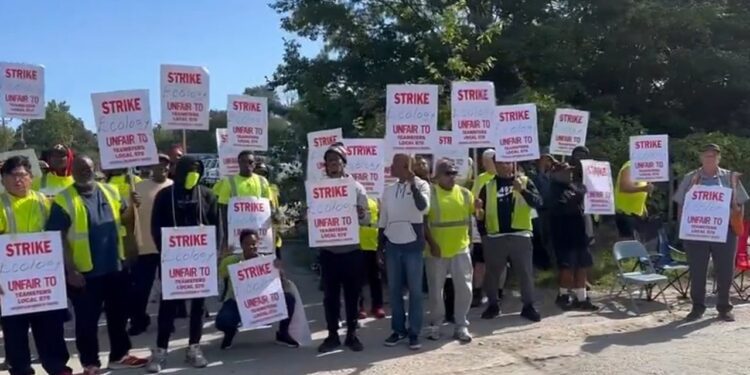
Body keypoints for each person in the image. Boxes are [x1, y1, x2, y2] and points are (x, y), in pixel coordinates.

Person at [46, 155, 146, 374]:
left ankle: (120, 355)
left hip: (115, 267)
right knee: (86, 323)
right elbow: (57, 238)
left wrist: (133, 205)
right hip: (84, 273)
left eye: (89, 167)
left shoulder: (110, 191)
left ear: (95, 169)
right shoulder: (63, 200)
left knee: (118, 316)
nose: (85, 171)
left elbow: (126, 219)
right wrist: (69, 270)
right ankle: (90, 363)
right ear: (73, 171)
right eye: (81, 168)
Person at [146, 156, 222, 372]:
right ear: (179, 171)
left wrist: (214, 254)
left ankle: (194, 347)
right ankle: (161, 350)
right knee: (168, 306)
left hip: (200, 263)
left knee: (198, 307)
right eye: (190, 169)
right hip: (173, 262)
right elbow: (155, 227)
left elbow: (217, 227)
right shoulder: (165, 195)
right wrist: (166, 253)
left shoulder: (207, 195)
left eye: (198, 169)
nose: (194, 173)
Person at [0, 156, 72, 375]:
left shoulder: (45, 202)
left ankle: (57, 366)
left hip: (44, 282)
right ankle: (21, 369)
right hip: (11, 284)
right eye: (12, 176)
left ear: (31, 178)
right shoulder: (1, 204)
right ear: (3, 180)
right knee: (15, 332)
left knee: (51, 327)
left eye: (22, 175)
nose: (18, 180)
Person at [674, 144, 748, 322]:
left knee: (725, 271)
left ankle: (724, 307)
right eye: (707, 155)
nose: (710, 159)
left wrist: (735, 223)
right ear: (700, 158)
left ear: (719, 158)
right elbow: (681, 204)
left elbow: (741, 203)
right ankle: (697, 307)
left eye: (713, 156)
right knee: (697, 270)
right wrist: (683, 229)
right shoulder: (690, 178)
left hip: (725, 232)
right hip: (696, 232)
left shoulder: (730, 177)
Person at [315, 143, 370, 353]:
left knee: (352, 295)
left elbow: (367, 220)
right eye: (329, 161)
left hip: (352, 251)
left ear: (343, 163)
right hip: (329, 252)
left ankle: (352, 335)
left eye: (337, 160)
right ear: (325, 165)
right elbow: (312, 216)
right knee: (330, 296)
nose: (333, 164)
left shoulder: (356, 188)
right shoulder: (318, 188)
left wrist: (361, 213)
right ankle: (331, 335)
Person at [475, 154, 542, 322]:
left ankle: (528, 306)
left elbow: (538, 202)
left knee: (525, 273)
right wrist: (483, 234)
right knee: (492, 275)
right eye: (499, 162)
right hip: (495, 237)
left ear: (513, 163)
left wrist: (523, 191)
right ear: (495, 165)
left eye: (507, 161)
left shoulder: (525, 181)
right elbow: (479, 215)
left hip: (520, 235)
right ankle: (493, 305)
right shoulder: (487, 186)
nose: (504, 165)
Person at [216, 229, 300, 349]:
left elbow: (280, 283)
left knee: (289, 299)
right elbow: (219, 275)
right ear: (241, 245)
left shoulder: (268, 261)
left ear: (258, 244)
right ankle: (230, 333)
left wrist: (280, 272)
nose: (251, 246)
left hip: (262, 303)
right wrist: (222, 258)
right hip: (237, 303)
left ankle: (283, 333)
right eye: (247, 243)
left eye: (254, 243)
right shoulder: (231, 261)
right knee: (222, 322)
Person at [380, 153, 431, 350]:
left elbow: (423, 208)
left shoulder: (422, 185)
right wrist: (380, 247)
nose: (391, 167)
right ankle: (398, 330)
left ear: (407, 167)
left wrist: (412, 184)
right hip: (392, 245)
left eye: (396, 164)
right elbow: (383, 219)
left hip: (412, 246)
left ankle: (414, 332)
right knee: (394, 291)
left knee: (415, 292)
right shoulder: (388, 190)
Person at [424, 159, 474, 343]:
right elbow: (423, 222)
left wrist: (480, 210)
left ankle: (461, 325)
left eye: (454, 173)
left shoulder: (465, 193)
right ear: (437, 176)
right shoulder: (430, 194)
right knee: (436, 290)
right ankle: (435, 325)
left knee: (464, 289)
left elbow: (472, 217)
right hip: (436, 251)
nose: (452, 177)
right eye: (447, 173)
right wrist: (432, 243)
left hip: (460, 248)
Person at [127, 154, 173, 336]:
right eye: (158, 163)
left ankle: (167, 321)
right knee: (140, 289)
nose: (162, 167)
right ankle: (138, 320)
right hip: (145, 246)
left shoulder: (174, 187)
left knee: (168, 289)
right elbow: (127, 218)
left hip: (168, 248)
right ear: (151, 167)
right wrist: (132, 204)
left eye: (166, 164)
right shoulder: (137, 188)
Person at [548, 161, 598, 310]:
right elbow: (561, 207)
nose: (569, 173)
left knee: (582, 266)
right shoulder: (553, 191)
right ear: (556, 174)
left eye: (570, 171)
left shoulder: (576, 187)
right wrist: (577, 197)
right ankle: (563, 295)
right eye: (565, 171)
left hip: (581, 234)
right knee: (567, 268)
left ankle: (581, 298)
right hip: (565, 236)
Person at [215, 151, 272, 255]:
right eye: (243, 162)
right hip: (237, 235)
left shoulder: (262, 181)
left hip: (258, 235)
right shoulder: (229, 181)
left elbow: (269, 207)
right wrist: (227, 234)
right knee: (236, 261)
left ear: (254, 164)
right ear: (238, 163)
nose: (247, 165)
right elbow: (223, 208)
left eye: (250, 162)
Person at [470, 148, 500, 307]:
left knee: (498, 262)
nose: (486, 163)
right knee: (480, 262)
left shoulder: (503, 177)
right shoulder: (480, 178)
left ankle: (497, 291)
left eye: (489, 160)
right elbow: (473, 200)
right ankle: (477, 292)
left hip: (498, 226)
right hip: (482, 225)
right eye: (484, 161)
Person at [359, 196, 385, 319]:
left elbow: (381, 221)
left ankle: (377, 306)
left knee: (376, 278)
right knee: (359, 279)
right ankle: (361, 307)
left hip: (373, 244)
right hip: (357, 244)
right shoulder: (353, 199)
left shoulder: (376, 199)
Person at [614, 160, 654, 239]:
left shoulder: (642, 169)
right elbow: (624, 187)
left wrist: (643, 207)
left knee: (637, 243)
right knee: (628, 244)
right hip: (625, 213)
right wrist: (644, 188)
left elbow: (639, 191)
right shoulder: (629, 166)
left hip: (637, 214)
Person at [254, 161, 284, 259]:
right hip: (254, 237)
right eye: (257, 173)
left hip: (272, 235)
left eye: (263, 173)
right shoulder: (249, 191)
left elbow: (278, 209)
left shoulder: (273, 188)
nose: (260, 176)